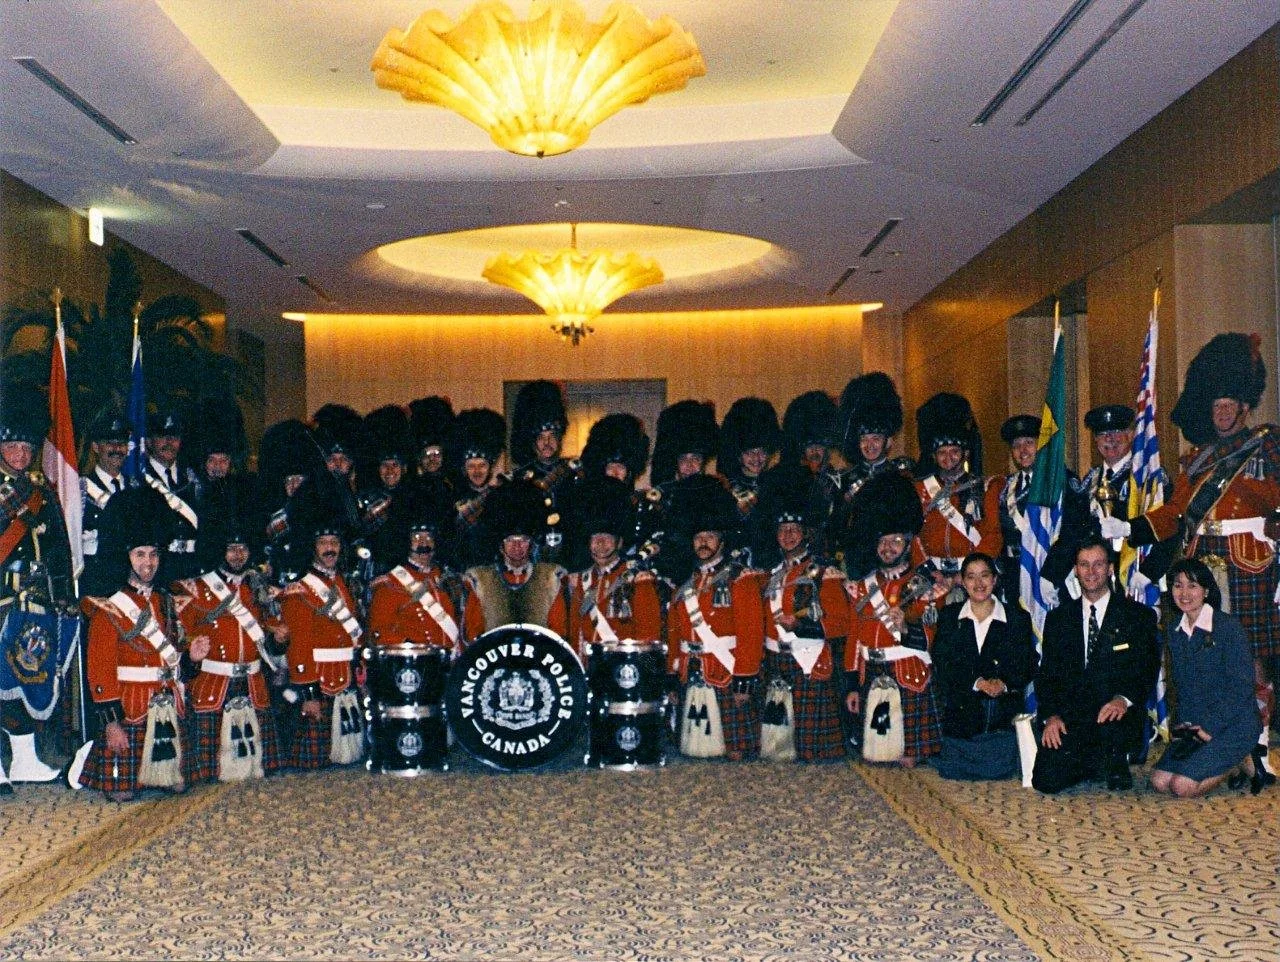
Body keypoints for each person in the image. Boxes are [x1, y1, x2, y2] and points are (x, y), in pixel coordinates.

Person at [1113, 333, 1280, 783]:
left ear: (1246, 406)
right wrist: (1129, 528)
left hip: (1249, 564)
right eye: (1216, 406)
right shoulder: (1197, 459)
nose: (1223, 413)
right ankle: (1211, 738)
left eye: (1230, 405)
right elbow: (1174, 514)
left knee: (1253, 658)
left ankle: (1256, 750)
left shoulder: (1268, 446)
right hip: (1201, 561)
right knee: (1201, 655)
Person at [80, 487, 205, 800]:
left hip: (168, 705)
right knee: (122, 794)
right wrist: (111, 725)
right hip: (130, 708)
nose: (148, 563)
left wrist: (193, 657)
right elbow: (100, 671)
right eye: (140, 555)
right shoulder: (109, 608)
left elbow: (177, 662)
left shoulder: (168, 603)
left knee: (179, 786)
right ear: (126, 558)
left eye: (153, 555)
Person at [1032, 535, 1159, 793]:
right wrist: (1051, 716)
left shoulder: (1138, 616)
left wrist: (1123, 699)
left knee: (1114, 766)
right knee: (1046, 781)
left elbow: (1146, 669)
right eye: (1084, 565)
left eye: (1098, 564)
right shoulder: (1059, 619)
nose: (1091, 572)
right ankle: (1095, 761)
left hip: (1115, 715)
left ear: (1111, 568)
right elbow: (1047, 675)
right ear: (1075, 570)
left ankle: (1110, 758)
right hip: (1073, 717)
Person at [843, 471, 946, 768]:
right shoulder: (861, 586)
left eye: (896, 541)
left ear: (909, 543)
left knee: (908, 760)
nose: (888, 548)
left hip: (908, 673)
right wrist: (852, 684)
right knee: (872, 756)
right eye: (883, 541)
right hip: (871, 672)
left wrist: (906, 628)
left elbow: (932, 635)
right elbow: (854, 639)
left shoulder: (925, 586)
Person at [172, 526, 287, 783]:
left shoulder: (259, 590)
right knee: (206, 774)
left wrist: (280, 638)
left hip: (253, 684)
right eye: (231, 549)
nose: (237, 555)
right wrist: (192, 650)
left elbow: (268, 638)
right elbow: (178, 636)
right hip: (213, 683)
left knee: (263, 770)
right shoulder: (195, 589)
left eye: (243, 549)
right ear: (220, 551)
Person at [0, 413, 76, 792]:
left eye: (26, 448)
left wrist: (64, 596)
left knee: (24, 676)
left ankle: (26, 760)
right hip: (1, 598)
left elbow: (59, 548)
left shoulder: (40, 493)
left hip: (35, 601)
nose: (19, 453)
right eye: (12, 446)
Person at [666, 483, 766, 761]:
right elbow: (674, 636)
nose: (703, 543)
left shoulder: (740, 578)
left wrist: (744, 680)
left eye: (710, 537)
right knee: (688, 748)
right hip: (692, 669)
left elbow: (751, 632)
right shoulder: (685, 585)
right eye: (698, 537)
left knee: (735, 752)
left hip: (727, 672)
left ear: (722, 540)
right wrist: (672, 677)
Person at [1151, 558, 1264, 797]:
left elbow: (1242, 690)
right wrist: (1182, 725)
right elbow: (1180, 687)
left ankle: (1240, 761)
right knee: (1160, 782)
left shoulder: (1228, 628)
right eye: (1178, 585)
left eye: (1192, 586)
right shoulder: (1174, 631)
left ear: (1206, 590)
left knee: (1182, 787)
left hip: (1234, 723)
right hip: (1196, 725)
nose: (1184, 593)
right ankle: (1229, 761)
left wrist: (1210, 727)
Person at [758, 464, 849, 762]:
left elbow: (840, 624)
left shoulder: (824, 572)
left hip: (807, 661)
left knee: (813, 753)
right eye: (782, 530)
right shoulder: (769, 575)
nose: (787, 535)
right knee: (778, 752)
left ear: (806, 533)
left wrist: (800, 624)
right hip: (776, 662)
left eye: (794, 529)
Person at [931, 553, 1036, 780]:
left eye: (985, 576)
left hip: (1000, 718)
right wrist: (977, 683)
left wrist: (1005, 683)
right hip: (961, 717)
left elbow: (1028, 663)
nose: (979, 584)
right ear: (962, 581)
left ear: (995, 580)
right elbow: (942, 661)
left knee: (999, 770)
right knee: (954, 771)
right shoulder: (950, 616)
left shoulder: (1017, 618)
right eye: (971, 577)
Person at [278, 524, 365, 770]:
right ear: (313, 548)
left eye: (334, 543)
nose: (330, 549)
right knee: (315, 764)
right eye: (323, 543)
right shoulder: (300, 590)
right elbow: (299, 646)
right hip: (319, 680)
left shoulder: (345, 584)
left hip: (346, 677)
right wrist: (309, 694)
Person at [549, 477, 662, 661]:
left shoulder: (638, 578)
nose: (600, 543)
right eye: (595, 537)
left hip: (622, 673)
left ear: (620, 542)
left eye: (608, 537)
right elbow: (571, 634)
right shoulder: (578, 581)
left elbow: (648, 637)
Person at [913, 393, 1001, 594]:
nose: (948, 458)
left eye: (954, 451)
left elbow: (993, 535)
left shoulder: (986, 487)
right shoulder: (920, 490)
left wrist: (969, 574)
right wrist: (926, 570)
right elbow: (913, 535)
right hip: (931, 577)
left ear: (965, 453)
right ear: (934, 457)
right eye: (942, 453)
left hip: (971, 578)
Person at [461, 479, 565, 639]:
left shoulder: (550, 578)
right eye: (511, 540)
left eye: (523, 540)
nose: (517, 546)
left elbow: (558, 634)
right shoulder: (480, 580)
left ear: (531, 544)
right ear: (501, 545)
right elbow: (473, 635)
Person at [367, 518, 462, 653]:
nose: (424, 543)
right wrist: (413, 650)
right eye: (417, 537)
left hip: (452, 662)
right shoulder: (390, 583)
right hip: (415, 662)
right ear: (407, 543)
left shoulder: (450, 580)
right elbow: (380, 632)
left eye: (429, 537)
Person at [510, 380, 580, 564]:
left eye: (552, 436)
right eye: (541, 437)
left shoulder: (575, 473)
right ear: (532, 441)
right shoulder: (519, 479)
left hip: (570, 558)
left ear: (560, 437)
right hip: (533, 559)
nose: (547, 443)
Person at [718, 397, 782, 566]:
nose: (756, 458)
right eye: (749, 452)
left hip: (771, 562)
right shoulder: (725, 487)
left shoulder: (778, 484)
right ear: (738, 454)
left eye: (761, 452)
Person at [142, 410, 201, 579]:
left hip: (192, 566)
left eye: (174, 437)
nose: (169, 443)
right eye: (162, 436)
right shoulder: (140, 482)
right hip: (157, 569)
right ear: (149, 442)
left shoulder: (193, 478)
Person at [448, 407, 509, 570]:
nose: (477, 471)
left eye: (482, 465)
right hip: (463, 572)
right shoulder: (452, 497)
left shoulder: (502, 496)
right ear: (463, 468)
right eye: (471, 466)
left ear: (491, 467)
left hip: (495, 571)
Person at [80, 410, 132, 597]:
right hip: (96, 588)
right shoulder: (80, 490)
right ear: (95, 447)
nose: (117, 449)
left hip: (133, 587)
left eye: (122, 444)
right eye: (110, 443)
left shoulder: (137, 488)